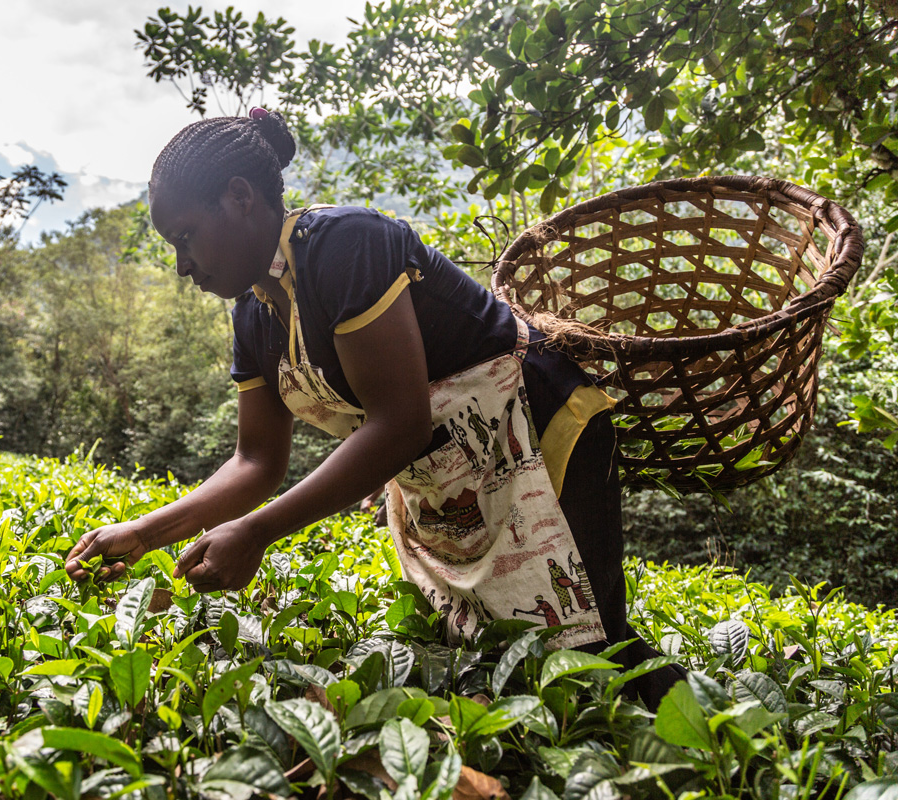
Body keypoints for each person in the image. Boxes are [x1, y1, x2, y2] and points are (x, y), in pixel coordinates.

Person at [64, 110, 684, 706]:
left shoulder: (346, 245)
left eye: (185, 236)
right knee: (492, 652)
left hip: (541, 431)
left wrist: (258, 532)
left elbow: (399, 423)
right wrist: (145, 534)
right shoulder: (254, 314)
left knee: (591, 647)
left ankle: (702, 750)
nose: (182, 264)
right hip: (450, 473)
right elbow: (256, 460)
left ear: (238, 196)